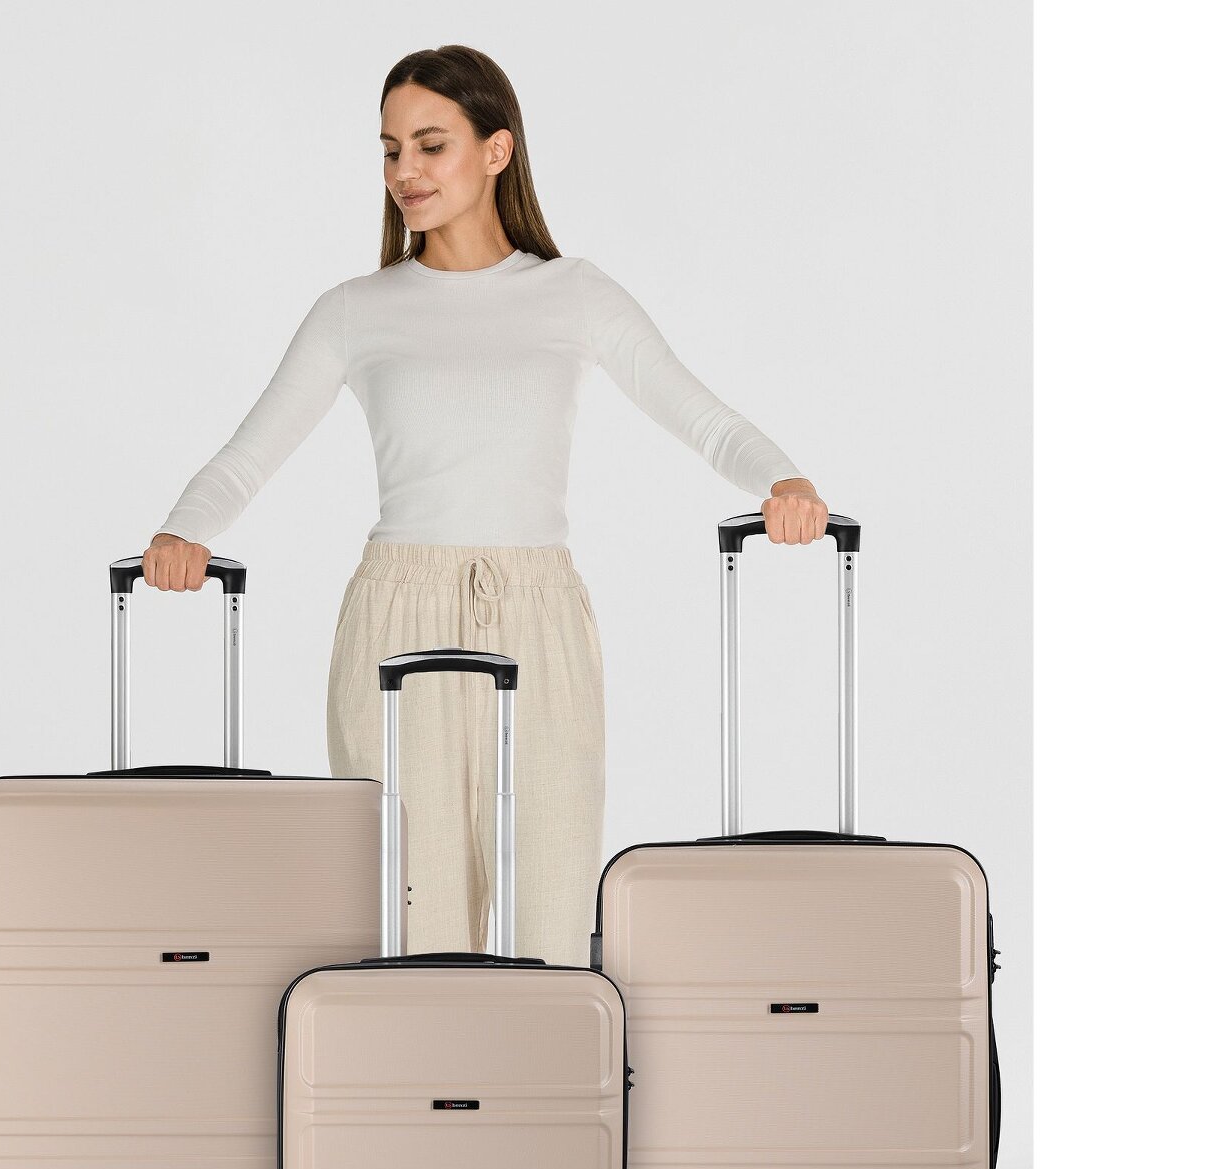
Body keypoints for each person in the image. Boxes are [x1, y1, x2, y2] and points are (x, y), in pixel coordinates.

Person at [144, 45, 829, 967]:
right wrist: (183, 530)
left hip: (540, 617)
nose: (405, 172)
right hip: (397, 617)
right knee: (409, 928)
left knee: (551, 924)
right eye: (391, 150)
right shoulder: (354, 310)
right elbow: (248, 454)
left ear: (497, 150)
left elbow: (701, 416)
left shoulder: (574, 294)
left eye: (431, 145)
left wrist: (784, 482)